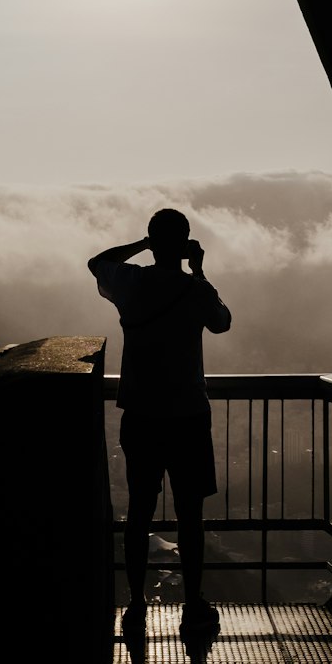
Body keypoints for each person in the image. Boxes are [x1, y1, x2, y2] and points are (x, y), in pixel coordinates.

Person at [88, 209, 232, 634]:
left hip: (142, 415)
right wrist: (199, 269)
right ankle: (193, 604)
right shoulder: (194, 289)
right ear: (187, 242)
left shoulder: (132, 283)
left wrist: (142, 245)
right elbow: (222, 323)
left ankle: (134, 603)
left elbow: (98, 262)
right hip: (188, 414)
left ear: (153, 239)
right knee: (190, 514)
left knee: (139, 513)